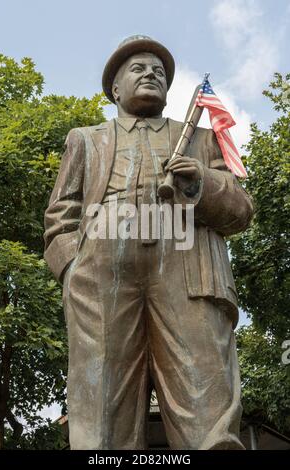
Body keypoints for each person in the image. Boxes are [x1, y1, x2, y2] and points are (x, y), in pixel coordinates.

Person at [44, 35, 253, 450]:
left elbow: (241, 210)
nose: (151, 74)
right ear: (115, 89)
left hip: (185, 262)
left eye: (158, 71)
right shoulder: (84, 139)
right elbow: (60, 216)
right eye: (138, 69)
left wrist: (201, 182)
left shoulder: (201, 139)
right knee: (101, 405)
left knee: (205, 398)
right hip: (101, 268)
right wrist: (75, 270)